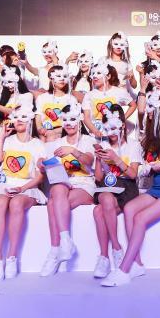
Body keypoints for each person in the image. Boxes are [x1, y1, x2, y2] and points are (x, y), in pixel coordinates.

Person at [101, 90, 160, 287]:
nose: (146, 111)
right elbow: (143, 168)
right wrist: (144, 169)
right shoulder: (149, 137)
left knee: (140, 218)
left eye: (150, 107)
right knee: (129, 208)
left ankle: (124, 269)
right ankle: (137, 264)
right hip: (157, 185)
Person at [0, 107, 47, 281]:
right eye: (16, 117)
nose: (19, 120)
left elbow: (39, 177)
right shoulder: (8, 140)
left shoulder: (38, 144)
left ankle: (12, 256)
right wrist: (1, 138)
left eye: (23, 117)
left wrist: (22, 188)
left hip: (27, 187)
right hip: (5, 185)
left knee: (16, 203)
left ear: (30, 120)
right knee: (0, 203)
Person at [41, 103, 96, 276]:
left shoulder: (88, 141)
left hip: (84, 184)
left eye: (72, 119)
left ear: (79, 119)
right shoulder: (55, 143)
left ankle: (55, 251)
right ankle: (63, 243)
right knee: (57, 190)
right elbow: (47, 167)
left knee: (53, 204)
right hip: (64, 184)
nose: (69, 123)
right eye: (65, 120)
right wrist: (42, 164)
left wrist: (72, 151)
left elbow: (89, 161)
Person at [91, 106, 142, 278]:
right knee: (102, 202)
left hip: (126, 187)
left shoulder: (133, 145)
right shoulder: (104, 144)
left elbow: (133, 174)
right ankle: (112, 250)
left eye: (114, 128)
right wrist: (98, 158)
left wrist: (116, 159)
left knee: (99, 211)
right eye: (107, 129)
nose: (111, 133)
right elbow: (98, 177)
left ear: (122, 126)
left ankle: (108, 254)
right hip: (106, 187)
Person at [82, 62, 133, 138]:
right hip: (95, 136)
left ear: (108, 76)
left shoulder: (119, 91)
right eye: (93, 73)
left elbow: (133, 105)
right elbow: (86, 118)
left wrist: (122, 119)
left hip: (114, 135)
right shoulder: (89, 95)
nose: (95, 76)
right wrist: (95, 131)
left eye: (98, 73)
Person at [36, 65, 74, 142]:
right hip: (44, 134)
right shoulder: (42, 98)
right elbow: (38, 117)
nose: (62, 79)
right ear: (51, 78)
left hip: (63, 133)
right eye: (58, 76)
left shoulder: (71, 99)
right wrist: (40, 129)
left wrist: (54, 132)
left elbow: (72, 122)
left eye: (65, 76)